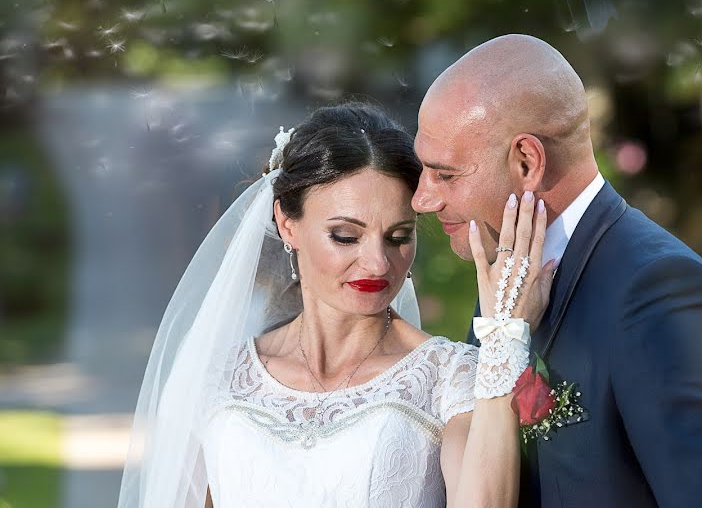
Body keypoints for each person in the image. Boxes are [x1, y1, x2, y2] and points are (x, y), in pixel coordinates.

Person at [117, 103, 555, 507]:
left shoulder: (450, 378)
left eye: (399, 236)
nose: (378, 262)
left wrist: (504, 342)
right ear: (287, 224)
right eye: (345, 236)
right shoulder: (216, 379)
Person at [412, 34, 702, 508]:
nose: (421, 199)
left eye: (445, 174)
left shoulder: (659, 296)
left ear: (527, 162)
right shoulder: (507, 280)